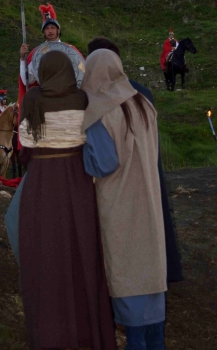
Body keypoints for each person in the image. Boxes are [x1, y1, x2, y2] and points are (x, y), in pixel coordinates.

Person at [15, 51, 117, 350]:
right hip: (78, 182)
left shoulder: (32, 100)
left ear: (43, 72)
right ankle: (89, 333)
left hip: (42, 185)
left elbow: (24, 150)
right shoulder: (83, 100)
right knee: (83, 250)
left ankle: (50, 334)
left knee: (45, 254)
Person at [82, 49, 167, 350]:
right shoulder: (143, 103)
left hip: (120, 205)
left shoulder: (99, 111)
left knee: (129, 280)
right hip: (149, 202)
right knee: (152, 289)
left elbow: (102, 164)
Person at [86, 36, 183, 286]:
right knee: (153, 218)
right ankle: (163, 270)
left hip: (119, 178)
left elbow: (101, 157)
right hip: (148, 167)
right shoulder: (142, 92)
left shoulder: (96, 97)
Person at [18, 3, 85, 103]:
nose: (50, 31)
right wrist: (23, 59)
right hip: (46, 99)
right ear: (43, 32)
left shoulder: (71, 50)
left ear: (58, 30)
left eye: (52, 28)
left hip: (68, 97)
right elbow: (27, 80)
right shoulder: (38, 53)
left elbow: (82, 72)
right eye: (47, 28)